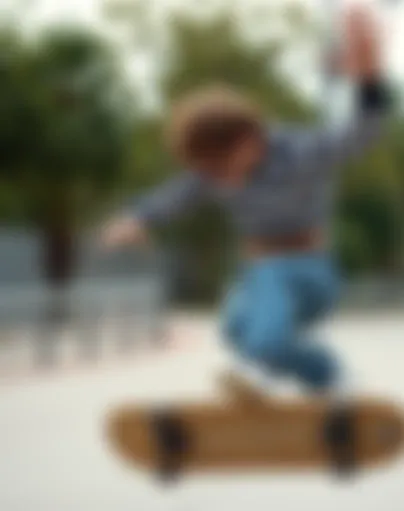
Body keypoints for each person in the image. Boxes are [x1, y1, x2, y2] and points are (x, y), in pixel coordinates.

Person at [102, 5, 389, 398]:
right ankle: (328, 376)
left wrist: (370, 80)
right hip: (260, 273)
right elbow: (176, 195)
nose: (220, 178)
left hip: (310, 273)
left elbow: (361, 134)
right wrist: (136, 218)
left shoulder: (301, 153)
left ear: (249, 140)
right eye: (210, 170)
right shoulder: (211, 173)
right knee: (235, 331)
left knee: (264, 327)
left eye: (223, 166)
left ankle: (261, 371)